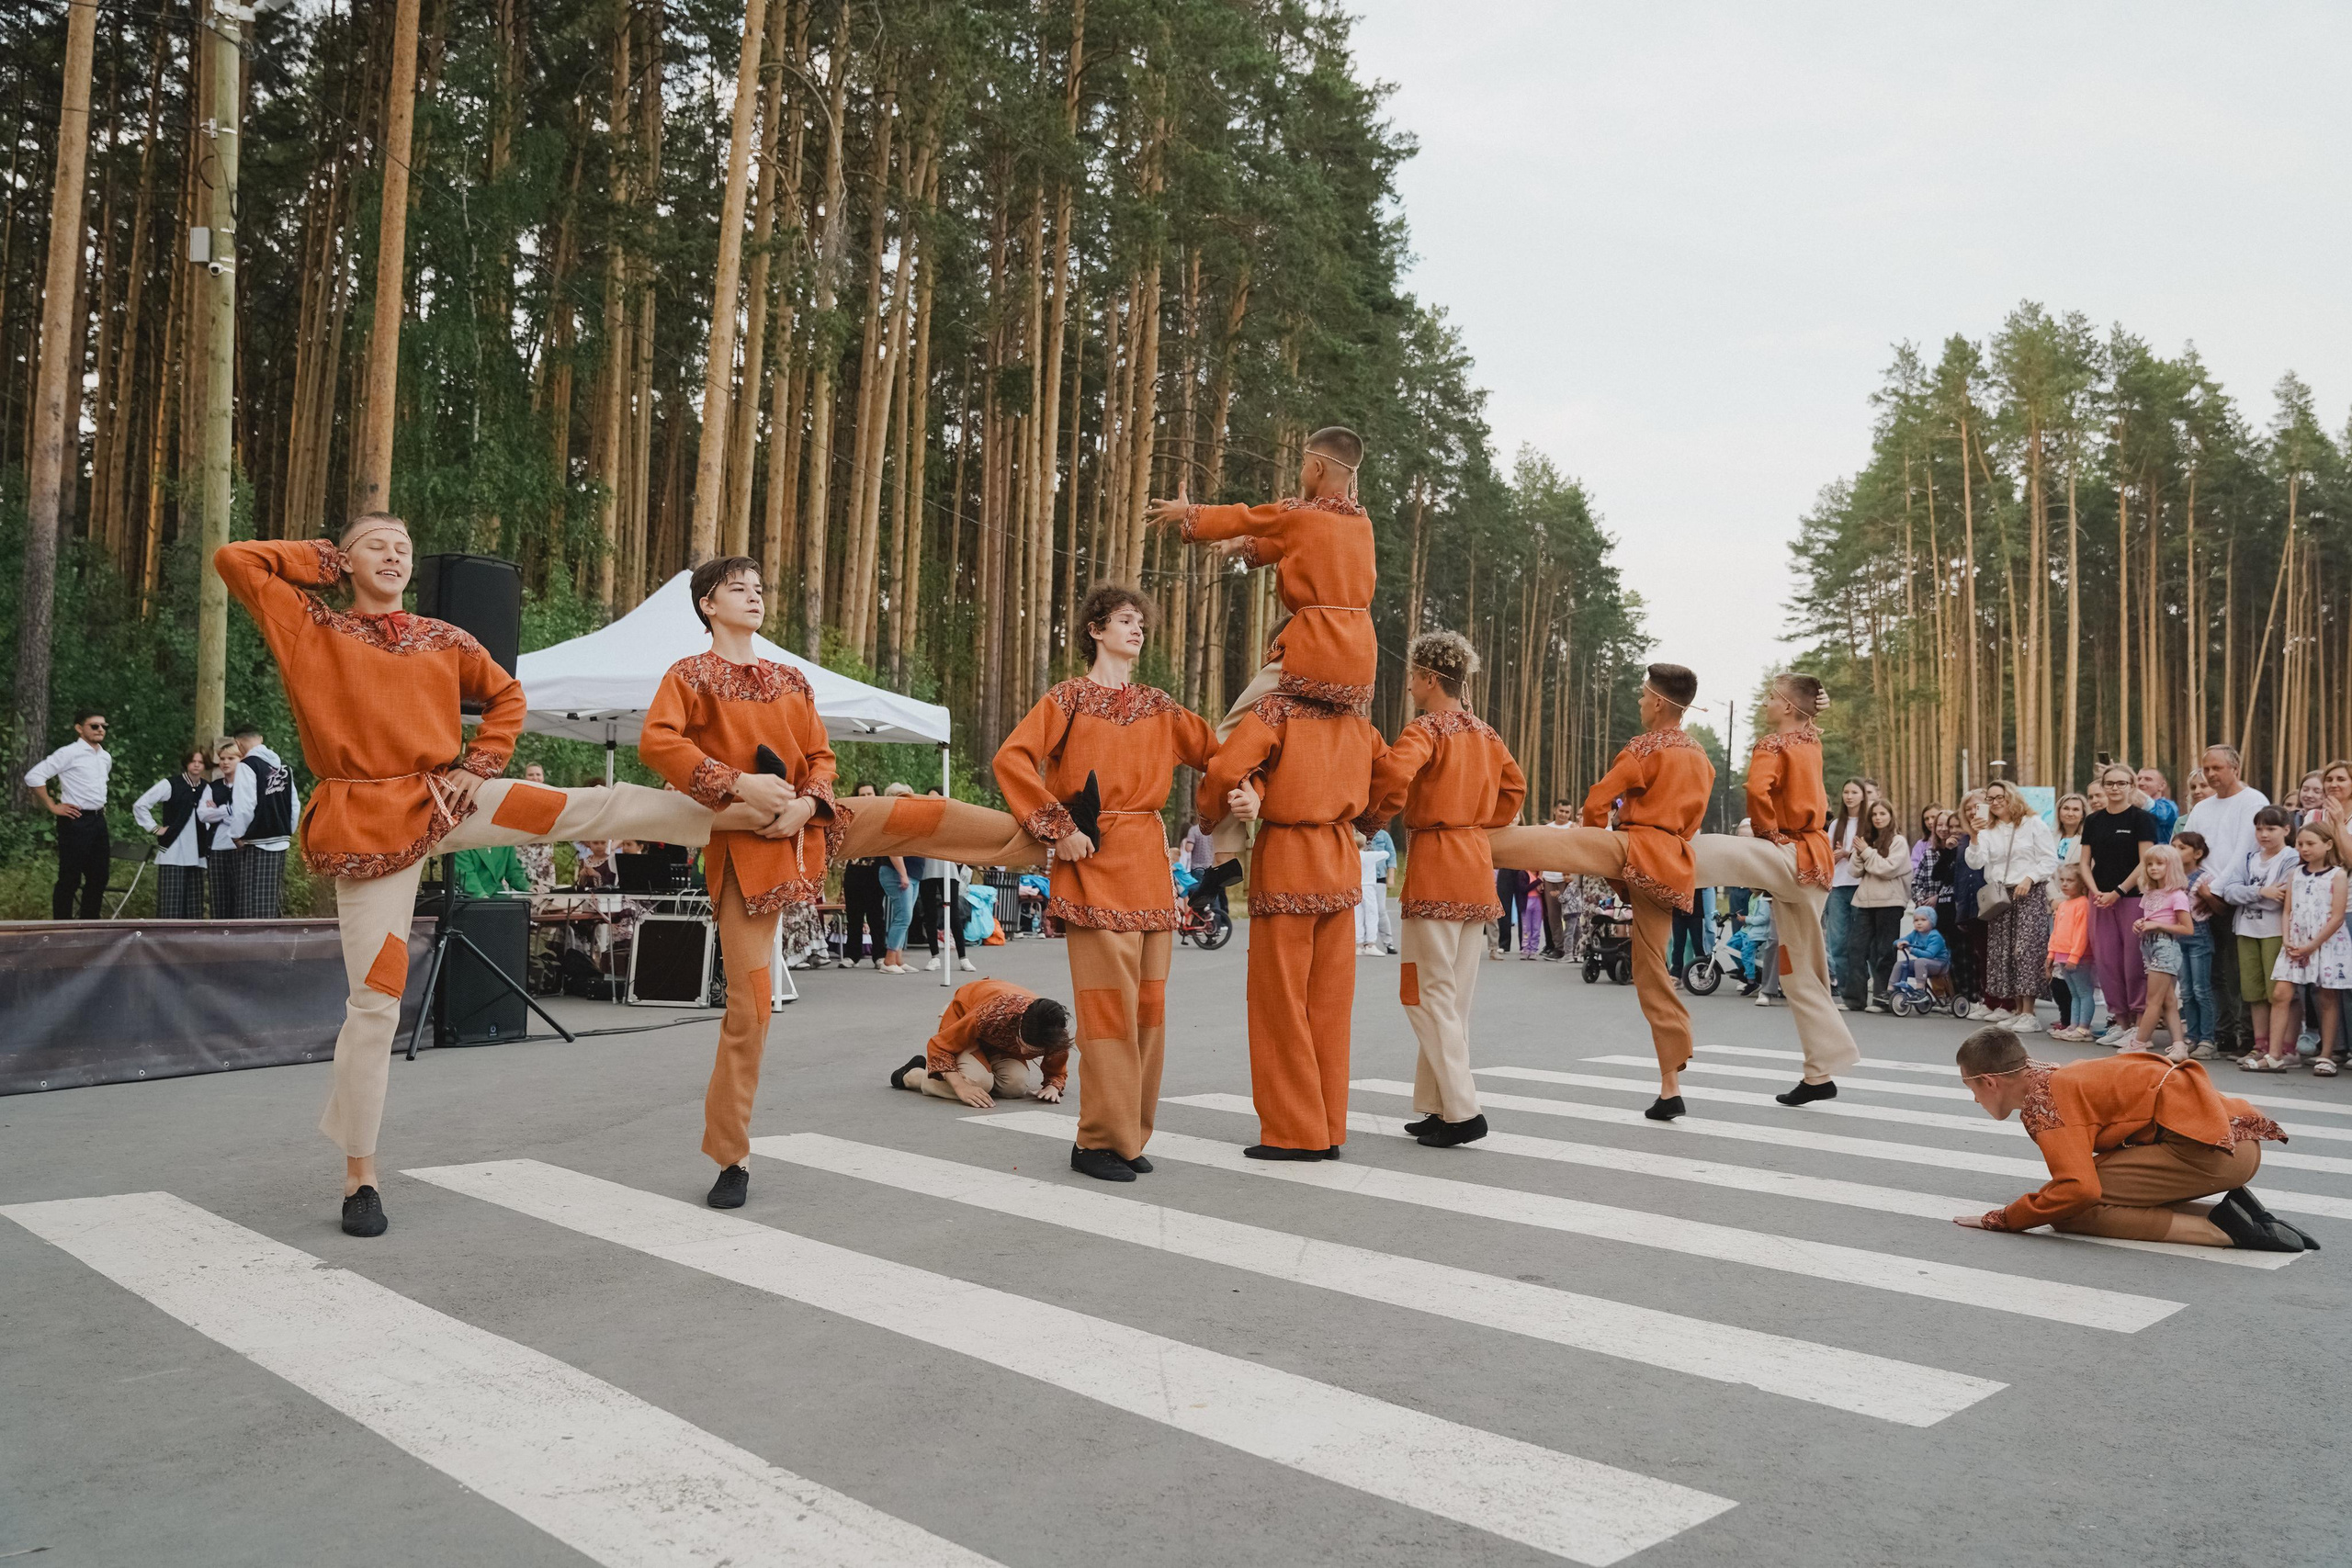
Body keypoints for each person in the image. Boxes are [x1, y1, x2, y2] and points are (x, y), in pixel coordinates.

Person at [218, 515, 764, 1237]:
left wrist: (478, 766)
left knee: (588, 806)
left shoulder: (444, 638)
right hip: (367, 825)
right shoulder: (307, 623)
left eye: (403, 547)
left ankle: (742, 812)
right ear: (342, 560)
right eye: (375, 544)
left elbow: (507, 696)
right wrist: (321, 559)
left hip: (449, 801)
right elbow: (236, 560)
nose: (393, 554)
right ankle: (361, 1177)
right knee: (375, 1005)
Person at [995, 583, 1219, 1180]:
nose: (1137, 628)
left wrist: (1244, 786)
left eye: (1140, 621)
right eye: (1125, 619)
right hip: (1092, 863)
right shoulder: (1066, 698)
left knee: (1148, 1011)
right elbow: (1011, 759)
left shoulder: (1161, 706)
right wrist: (1056, 826)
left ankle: (1127, 1134)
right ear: (1095, 629)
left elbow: (1218, 753)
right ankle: (1095, 1139)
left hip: (1148, 866)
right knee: (1108, 1014)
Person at [641, 555, 839, 1211]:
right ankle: (732, 1154)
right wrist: (736, 785)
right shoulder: (689, 674)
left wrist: (810, 802)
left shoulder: (791, 677)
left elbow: (822, 756)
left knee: (923, 817)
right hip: (743, 852)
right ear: (707, 604)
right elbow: (658, 742)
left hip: (808, 835)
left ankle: (1033, 836)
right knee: (751, 1009)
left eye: (759, 587)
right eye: (738, 588)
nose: (753, 596)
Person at [1149, 425, 1374, 900]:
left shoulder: (1299, 513)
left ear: (1315, 468)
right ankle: (1346, 823)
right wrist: (1246, 548)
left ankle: (1227, 852)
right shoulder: (1359, 525)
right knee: (1318, 736)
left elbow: (1246, 516)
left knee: (1234, 735)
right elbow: (1303, 543)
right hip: (1358, 663)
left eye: (1301, 466)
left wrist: (1187, 514)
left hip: (1314, 649)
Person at [1197, 657, 1386, 1160]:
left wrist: (1218, 813)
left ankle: (1293, 1132)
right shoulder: (1358, 720)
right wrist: (1363, 821)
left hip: (1288, 861)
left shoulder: (1277, 710)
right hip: (1341, 862)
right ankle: (1328, 1130)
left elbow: (1224, 766)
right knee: (1330, 1006)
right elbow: (1392, 779)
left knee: (1280, 1003)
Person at [1359, 629, 1526, 1146]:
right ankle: (1436, 1106)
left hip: (1435, 864)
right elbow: (1514, 790)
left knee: (1423, 993)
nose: (1408, 685)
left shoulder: (1425, 731)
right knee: (1453, 1000)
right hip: (1475, 866)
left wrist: (1370, 820)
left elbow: (1391, 777)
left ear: (1430, 677)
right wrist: (1475, 822)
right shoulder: (1487, 734)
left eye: (1412, 675)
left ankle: (1463, 1109)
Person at [1949, 1026, 2308, 1251]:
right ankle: (2240, 1214)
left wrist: (2005, 1218)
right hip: (2234, 1141)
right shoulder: (2056, 1074)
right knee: (2075, 1195)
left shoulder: (2043, 1103)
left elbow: (2077, 1190)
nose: (1975, 1099)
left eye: (1972, 1087)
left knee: (2071, 1212)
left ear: (1991, 1082)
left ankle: (2222, 1231)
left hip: (2210, 1154)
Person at [1580, 663, 1715, 1120]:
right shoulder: (1701, 757)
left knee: (1651, 970)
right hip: (1677, 861)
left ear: (1658, 701)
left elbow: (1597, 802)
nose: (1640, 703)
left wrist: (1598, 851)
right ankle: (1668, 1085)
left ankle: (1672, 1079)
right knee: (1651, 964)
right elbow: (1693, 823)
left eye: (1642, 696)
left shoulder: (1642, 748)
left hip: (1640, 855)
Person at [2246, 822, 2350, 1074]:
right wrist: (2287, 939)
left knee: (2326, 996)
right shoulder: (2295, 874)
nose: (2304, 848)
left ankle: (2326, 1055)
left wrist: (2313, 945)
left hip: (2325, 943)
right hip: (2295, 942)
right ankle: (2274, 1055)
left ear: (2327, 845)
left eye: (2311, 843)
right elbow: (2287, 910)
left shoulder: (2337, 874)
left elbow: (2337, 916)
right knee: (2281, 993)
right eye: (2301, 844)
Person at [1963, 779, 2059, 1032]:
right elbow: (1976, 862)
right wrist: (1974, 835)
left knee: (2025, 951)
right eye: (1991, 799)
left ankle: (2030, 1013)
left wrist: (2029, 878)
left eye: (2000, 797)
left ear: (2012, 797)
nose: (1995, 803)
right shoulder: (1987, 830)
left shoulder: (2033, 824)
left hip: (2028, 891)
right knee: (2005, 952)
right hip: (2000, 895)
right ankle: (2018, 1010)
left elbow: (2049, 859)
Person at [890, 979, 1072, 1108]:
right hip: (967, 1020)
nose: (1023, 1051)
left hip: (997, 1041)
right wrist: (961, 1087)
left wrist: (1052, 1086)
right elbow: (939, 1046)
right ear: (1018, 1025)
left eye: (1033, 1050)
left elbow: (1056, 1069)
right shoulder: (992, 1014)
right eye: (1022, 1043)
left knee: (1015, 1086)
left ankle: (979, 1071)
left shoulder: (1053, 1031)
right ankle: (913, 1075)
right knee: (978, 1082)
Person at [2080, 762, 2159, 1043]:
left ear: (2131, 787)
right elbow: (2085, 862)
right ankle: (2120, 1021)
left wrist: (2118, 891)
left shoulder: (2142, 819)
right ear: (2102, 787)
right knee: (2107, 961)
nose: (2115, 788)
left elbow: (2145, 862)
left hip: (2132, 898)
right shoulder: (2093, 821)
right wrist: (2095, 891)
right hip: (2099, 899)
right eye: (2109, 783)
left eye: (2121, 783)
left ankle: (2140, 1024)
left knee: (2133, 961)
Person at [2215, 805, 2296, 1066]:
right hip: (2247, 930)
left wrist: (2250, 893)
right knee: (2254, 992)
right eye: (2259, 828)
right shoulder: (2250, 857)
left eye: (2271, 828)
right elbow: (2229, 892)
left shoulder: (2291, 858)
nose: (2264, 834)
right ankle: (2260, 1044)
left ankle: (2285, 1046)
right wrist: (2261, 892)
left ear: (2286, 829)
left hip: (2275, 932)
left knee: (2279, 993)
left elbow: (2280, 898)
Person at [23, 708, 113, 919]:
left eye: (104, 726)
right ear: (79, 728)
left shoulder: (105, 757)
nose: (100, 729)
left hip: (98, 820)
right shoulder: (69, 753)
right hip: (75, 821)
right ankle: (61, 928)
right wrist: (53, 806)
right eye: (94, 726)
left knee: (99, 876)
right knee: (70, 877)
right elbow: (34, 776)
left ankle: (88, 926)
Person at [220, 719, 301, 919]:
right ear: (261, 739)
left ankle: (254, 947)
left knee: (252, 902)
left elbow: (245, 806)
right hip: (281, 839)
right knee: (272, 900)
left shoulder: (248, 766)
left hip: (258, 841)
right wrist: (287, 831)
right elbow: (295, 805)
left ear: (239, 743)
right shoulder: (284, 767)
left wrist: (236, 834)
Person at [2126, 844, 2196, 1056]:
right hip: (2149, 946)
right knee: (2168, 1001)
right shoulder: (2150, 894)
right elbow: (2151, 919)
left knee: (2153, 1001)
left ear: (2171, 866)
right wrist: (2140, 923)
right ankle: (2179, 1045)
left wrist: (2157, 925)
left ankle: (2139, 1043)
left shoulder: (2177, 896)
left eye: (2159, 863)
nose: (2153, 868)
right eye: (2149, 864)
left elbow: (2187, 928)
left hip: (2165, 947)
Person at [132, 748, 219, 918]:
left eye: (200, 762)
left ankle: (192, 942)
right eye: (193, 761)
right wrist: (155, 828)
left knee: (194, 907)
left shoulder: (207, 788)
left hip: (198, 852)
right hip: (174, 850)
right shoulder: (171, 784)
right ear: (186, 763)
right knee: (170, 905)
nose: (196, 765)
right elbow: (140, 805)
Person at [1845, 798, 1910, 1013]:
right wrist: (1861, 852)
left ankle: (1883, 999)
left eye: (1882, 814)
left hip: (1890, 902)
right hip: (1864, 901)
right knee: (1856, 949)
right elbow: (1854, 872)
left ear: (1890, 816)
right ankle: (1854, 999)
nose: (1878, 818)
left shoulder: (1898, 841)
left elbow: (1887, 869)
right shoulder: (1867, 841)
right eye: (1874, 815)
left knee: (1884, 951)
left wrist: (1866, 853)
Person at [2174, 829, 2219, 1058]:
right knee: (2187, 991)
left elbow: (2218, 908)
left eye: (2182, 848)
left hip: (2199, 936)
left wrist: (2208, 896)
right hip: (2178, 937)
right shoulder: (2171, 878)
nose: (2176, 851)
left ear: (2198, 853)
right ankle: (2191, 1035)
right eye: (2174, 847)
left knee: (2202, 989)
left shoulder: (2204, 878)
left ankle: (2208, 1039)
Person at [2045, 864, 2098, 1042]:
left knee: (2083, 992)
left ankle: (2084, 1028)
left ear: (2081, 883)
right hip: (2062, 954)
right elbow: (2056, 931)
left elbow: (2082, 933)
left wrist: (2075, 956)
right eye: (2062, 880)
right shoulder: (2064, 905)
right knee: (2074, 993)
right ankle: (2073, 1026)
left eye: (2070, 880)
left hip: (2078, 957)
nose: (2065, 884)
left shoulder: (2083, 904)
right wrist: (2051, 954)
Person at [839, 784, 889, 966]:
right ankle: (853, 955)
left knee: (876, 915)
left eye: (869, 793)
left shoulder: (881, 817)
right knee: (854, 915)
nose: (866, 796)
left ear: (875, 795)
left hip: (875, 870)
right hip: (854, 870)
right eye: (862, 794)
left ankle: (879, 956)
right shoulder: (850, 815)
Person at [1825, 777, 1867, 994]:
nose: (1849, 797)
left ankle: (1859, 986)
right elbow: (1828, 858)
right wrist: (1835, 857)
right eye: (1846, 792)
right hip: (1838, 887)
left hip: (1862, 886)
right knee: (1838, 941)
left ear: (1863, 796)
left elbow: (1872, 855)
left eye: (1854, 792)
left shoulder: (1868, 823)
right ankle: (1844, 988)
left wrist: (1848, 853)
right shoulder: (1834, 825)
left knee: (1858, 941)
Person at [198, 737, 242, 918]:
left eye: (230, 758)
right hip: (217, 848)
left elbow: (245, 815)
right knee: (219, 899)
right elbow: (202, 814)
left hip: (240, 847)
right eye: (222, 758)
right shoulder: (213, 787)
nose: (225, 762)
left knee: (241, 897)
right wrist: (227, 810)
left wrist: (219, 811)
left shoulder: (246, 786)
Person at [920, 854, 974, 973]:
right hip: (927, 870)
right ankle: (934, 956)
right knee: (930, 915)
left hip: (949, 871)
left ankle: (963, 957)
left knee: (954, 915)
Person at [1887, 906, 1950, 1003]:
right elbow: (1902, 940)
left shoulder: (1935, 936)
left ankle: (1920, 991)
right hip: (1924, 963)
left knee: (1920, 962)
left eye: (1923, 920)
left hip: (1939, 964)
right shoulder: (1915, 933)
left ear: (1932, 921)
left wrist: (1910, 949)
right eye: (1916, 920)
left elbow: (1929, 954)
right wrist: (1898, 943)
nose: (1919, 923)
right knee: (1900, 964)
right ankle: (1890, 990)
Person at [514, 763, 558, 892]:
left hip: (544, 849)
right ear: (525, 777)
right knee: (525, 886)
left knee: (546, 889)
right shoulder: (518, 797)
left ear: (543, 777)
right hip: (523, 848)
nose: (535, 777)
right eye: (531, 774)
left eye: (538, 774)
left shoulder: (552, 796)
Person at [451, 842, 533, 899]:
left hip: (498, 897)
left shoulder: (505, 841)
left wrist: (528, 887)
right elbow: (467, 876)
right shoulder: (462, 842)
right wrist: (482, 896)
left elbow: (513, 872)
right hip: (470, 899)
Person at [1354, 830, 1389, 954]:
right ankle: (1370, 944)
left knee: (1358, 916)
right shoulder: (1370, 855)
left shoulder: (1353, 855)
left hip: (1357, 888)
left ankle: (1359, 945)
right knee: (1372, 915)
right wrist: (1371, 849)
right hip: (1368, 888)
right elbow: (1386, 854)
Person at [2136, 767, 2178, 843]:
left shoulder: (2169, 807)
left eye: (2148, 779)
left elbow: (2158, 812)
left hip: (2161, 854)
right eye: (2138, 779)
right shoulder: (2133, 806)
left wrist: (2128, 787)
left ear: (2162, 786)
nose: (2140, 783)